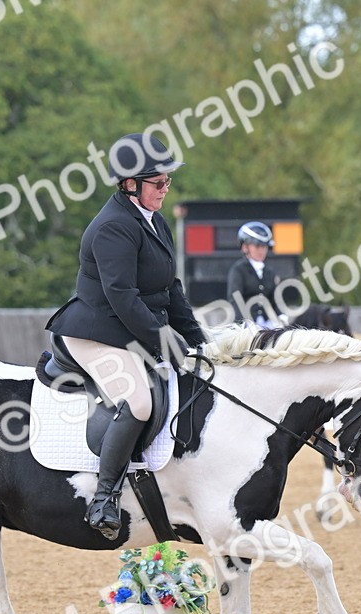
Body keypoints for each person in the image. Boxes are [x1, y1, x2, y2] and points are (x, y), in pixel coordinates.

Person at [46, 133, 207, 535]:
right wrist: (163, 341)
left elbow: (171, 289)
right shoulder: (113, 227)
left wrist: (198, 339)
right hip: (94, 330)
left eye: (168, 181)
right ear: (129, 184)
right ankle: (104, 497)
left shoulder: (154, 221)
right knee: (138, 402)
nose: (166, 189)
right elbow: (122, 296)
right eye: (158, 183)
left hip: (128, 326)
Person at [226, 221, 283, 327]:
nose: (262, 250)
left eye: (264, 247)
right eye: (257, 246)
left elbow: (274, 299)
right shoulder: (238, 270)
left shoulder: (270, 272)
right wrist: (244, 321)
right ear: (245, 247)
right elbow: (235, 299)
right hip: (246, 324)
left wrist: (281, 315)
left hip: (268, 323)